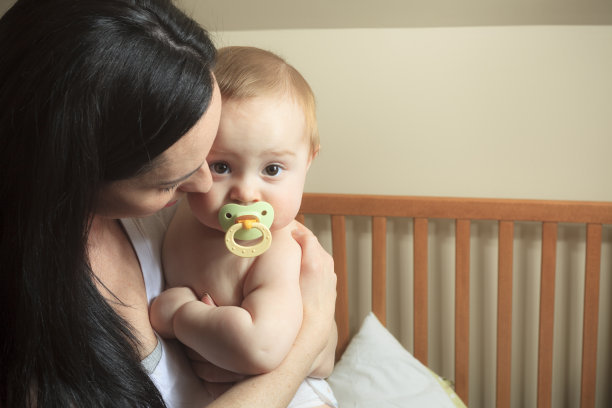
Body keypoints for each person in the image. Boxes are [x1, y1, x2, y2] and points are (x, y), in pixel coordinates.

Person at [0, 1, 337, 407]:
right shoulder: (34, 322)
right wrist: (308, 338)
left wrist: (316, 337)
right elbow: (304, 345)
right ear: (78, 172)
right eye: (168, 182)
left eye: (272, 169)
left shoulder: (270, 244)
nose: (201, 185)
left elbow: (318, 356)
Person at [150, 46, 338, 408]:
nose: (247, 193)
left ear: (308, 161)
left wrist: (180, 314)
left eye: (271, 169)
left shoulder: (278, 250)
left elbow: (262, 347)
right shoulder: (177, 215)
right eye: (221, 166)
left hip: (297, 398)